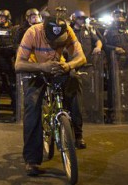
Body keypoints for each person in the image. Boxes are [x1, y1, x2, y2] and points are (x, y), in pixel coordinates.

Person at [15, 16, 86, 176]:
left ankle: (77, 131)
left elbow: (81, 57)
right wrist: (42, 66)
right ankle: (32, 160)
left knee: (75, 80)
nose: (56, 45)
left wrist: (68, 65)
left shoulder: (68, 31)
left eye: (59, 42)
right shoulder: (32, 32)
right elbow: (19, 64)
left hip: (58, 68)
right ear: (44, 34)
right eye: (52, 42)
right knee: (32, 107)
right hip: (35, 69)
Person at [0, 10, 16, 119]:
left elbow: (16, 41)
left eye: (3, 17)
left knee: (12, 87)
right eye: (0, 17)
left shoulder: (13, 30)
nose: (1, 19)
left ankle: (16, 111)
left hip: (9, 61)